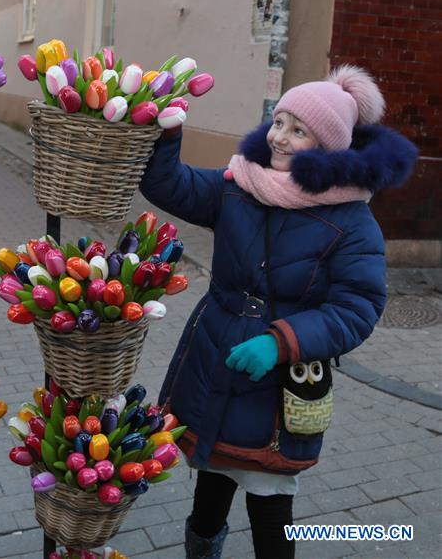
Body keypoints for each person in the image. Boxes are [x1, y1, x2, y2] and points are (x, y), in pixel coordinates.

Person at [139, 66, 417, 559]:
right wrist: (167, 135)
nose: (279, 137)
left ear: (327, 147)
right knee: (210, 483)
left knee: (269, 506)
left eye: (298, 130)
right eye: (279, 121)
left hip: (276, 388)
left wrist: (281, 340)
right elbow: (170, 186)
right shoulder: (241, 184)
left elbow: (358, 308)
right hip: (215, 361)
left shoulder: (353, 220)